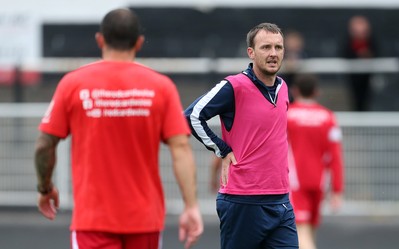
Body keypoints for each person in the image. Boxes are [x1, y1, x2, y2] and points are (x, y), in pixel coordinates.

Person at [34, 8, 203, 249]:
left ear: (100, 39)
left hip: (93, 221)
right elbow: (181, 150)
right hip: (145, 222)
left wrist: (45, 187)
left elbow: (44, 144)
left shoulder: (73, 84)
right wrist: (191, 205)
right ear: (139, 43)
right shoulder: (161, 87)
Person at [185, 22, 298, 249]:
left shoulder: (284, 87)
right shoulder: (234, 86)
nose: (273, 53)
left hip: (281, 201)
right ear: (251, 52)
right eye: (266, 47)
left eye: (278, 47)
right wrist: (222, 149)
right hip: (243, 201)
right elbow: (191, 116)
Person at [287, 74, 344, 249]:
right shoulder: (328, 118)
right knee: (309, 231)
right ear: (317, 92)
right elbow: (336, 156)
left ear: (294, 91)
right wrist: (337, 190)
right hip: (320, 182)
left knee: (302, 232)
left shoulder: (287, 115)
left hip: (295, 182)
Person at [341, 15, 378, 111]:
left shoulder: (372, 41)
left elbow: (377, 53)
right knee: (354, 100)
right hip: (353, 77)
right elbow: (344, 54)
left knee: (366, 100)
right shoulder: (347, 41)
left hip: (367, 76)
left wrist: (367, 55)